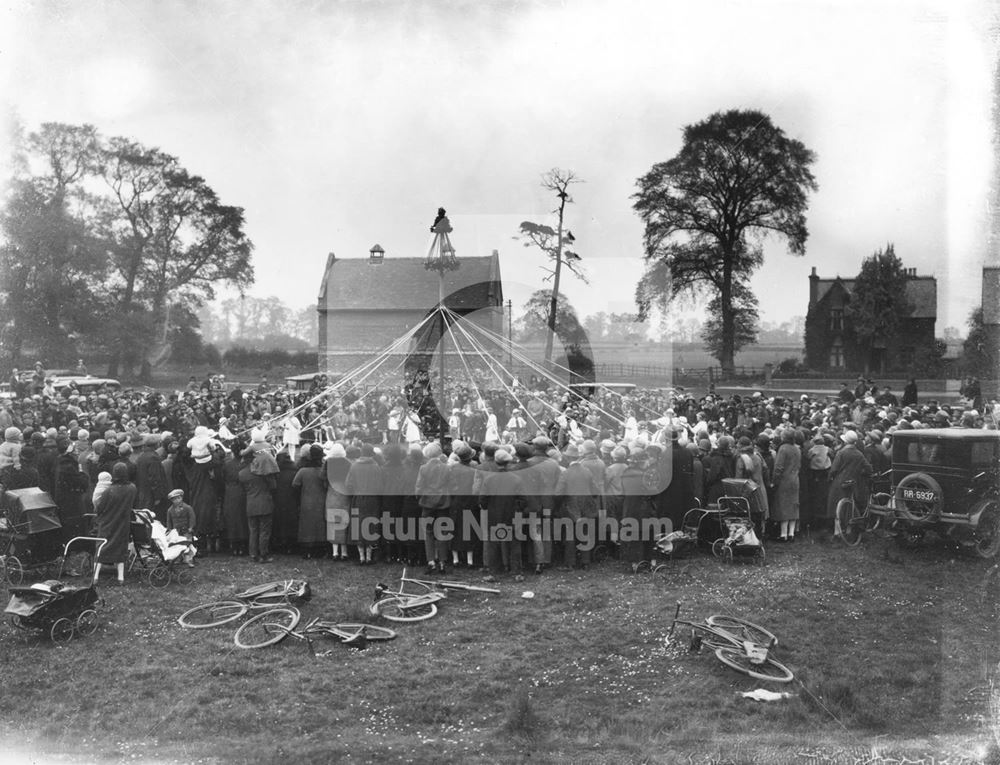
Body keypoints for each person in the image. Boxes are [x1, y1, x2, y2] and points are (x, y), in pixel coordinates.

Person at [93, 463, 135, 585]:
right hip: (122, 524)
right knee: (120, 549)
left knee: (102, 547)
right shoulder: (132, 488)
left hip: (107, 523)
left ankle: (95, 576)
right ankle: (120, 577)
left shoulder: (108, 491)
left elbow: (99, 508)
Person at [239, 451, 276, 563]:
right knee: (264, 531)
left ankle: (253, 554)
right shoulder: (263, 471)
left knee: (253, 531)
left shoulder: (241, 473)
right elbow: (273, 486)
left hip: (251, 504)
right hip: (265, 503)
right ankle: (263, 554)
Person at [293, 444, 328, 559]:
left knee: (306, 525)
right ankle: (319, 550)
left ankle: (307, 551)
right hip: (321, 500)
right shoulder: (323, 470)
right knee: (320, 525)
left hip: (306, 501)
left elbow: (295, 484)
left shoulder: (303, 471)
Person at [770, 429, 800, 542]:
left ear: (784, 437)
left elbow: (778, 467)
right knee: (793, 505)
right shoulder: (797, 449)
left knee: (783, 506)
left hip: (784, 480)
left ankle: (783, 534)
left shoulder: (783, 449)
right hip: (795, 480)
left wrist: (774, 481)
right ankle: (791, 533)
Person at [165, 488, 197, 567]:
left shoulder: (187, 508)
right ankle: (178, 558)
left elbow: (192, 518)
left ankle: (189, 559)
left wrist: (191, 527)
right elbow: (169, 521)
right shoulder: (170, 510)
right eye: (174, 499)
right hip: (176, 531)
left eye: (178, 498)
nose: (176, 500)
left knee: (188, 544)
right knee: (177, 545)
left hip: (186, 530)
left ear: (181, 498)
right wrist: (169, 529)